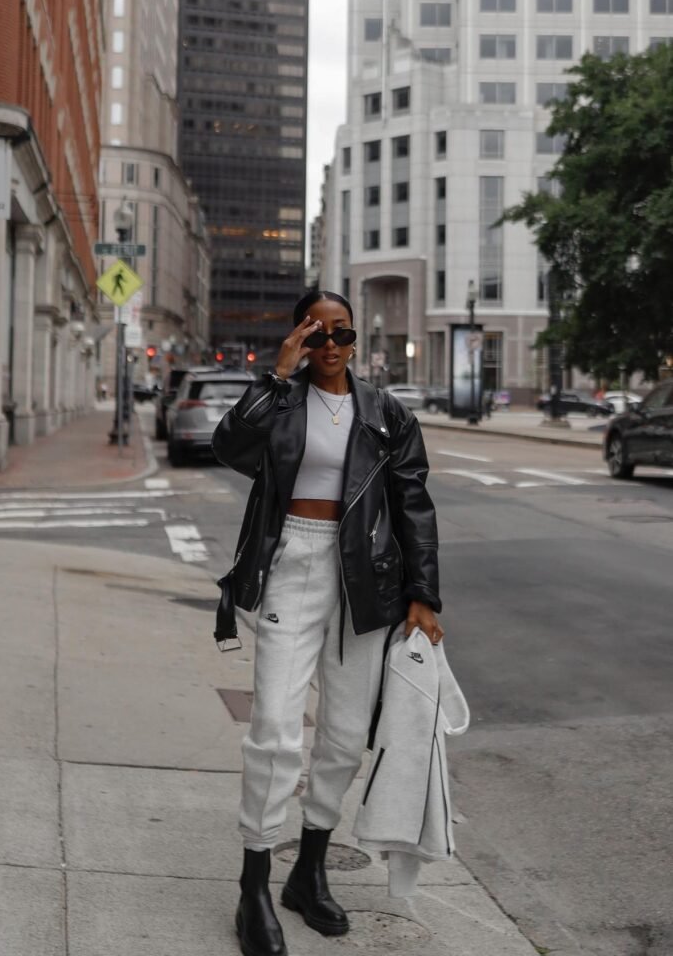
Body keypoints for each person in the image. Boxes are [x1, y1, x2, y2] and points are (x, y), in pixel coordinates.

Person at [212, 291, 444, 956]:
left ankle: (308, 871)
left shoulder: (384, 412)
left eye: (339, 332)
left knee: (343, 738)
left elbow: (413, 504)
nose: (331, 346)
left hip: (365, 582)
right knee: (275, 731)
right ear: (300, 339)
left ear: (353, 336)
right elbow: (229, 447)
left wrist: (423, 594)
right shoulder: (281, 399)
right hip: (292, 565)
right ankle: (254, 882)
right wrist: (276, 374)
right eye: (316, 334)